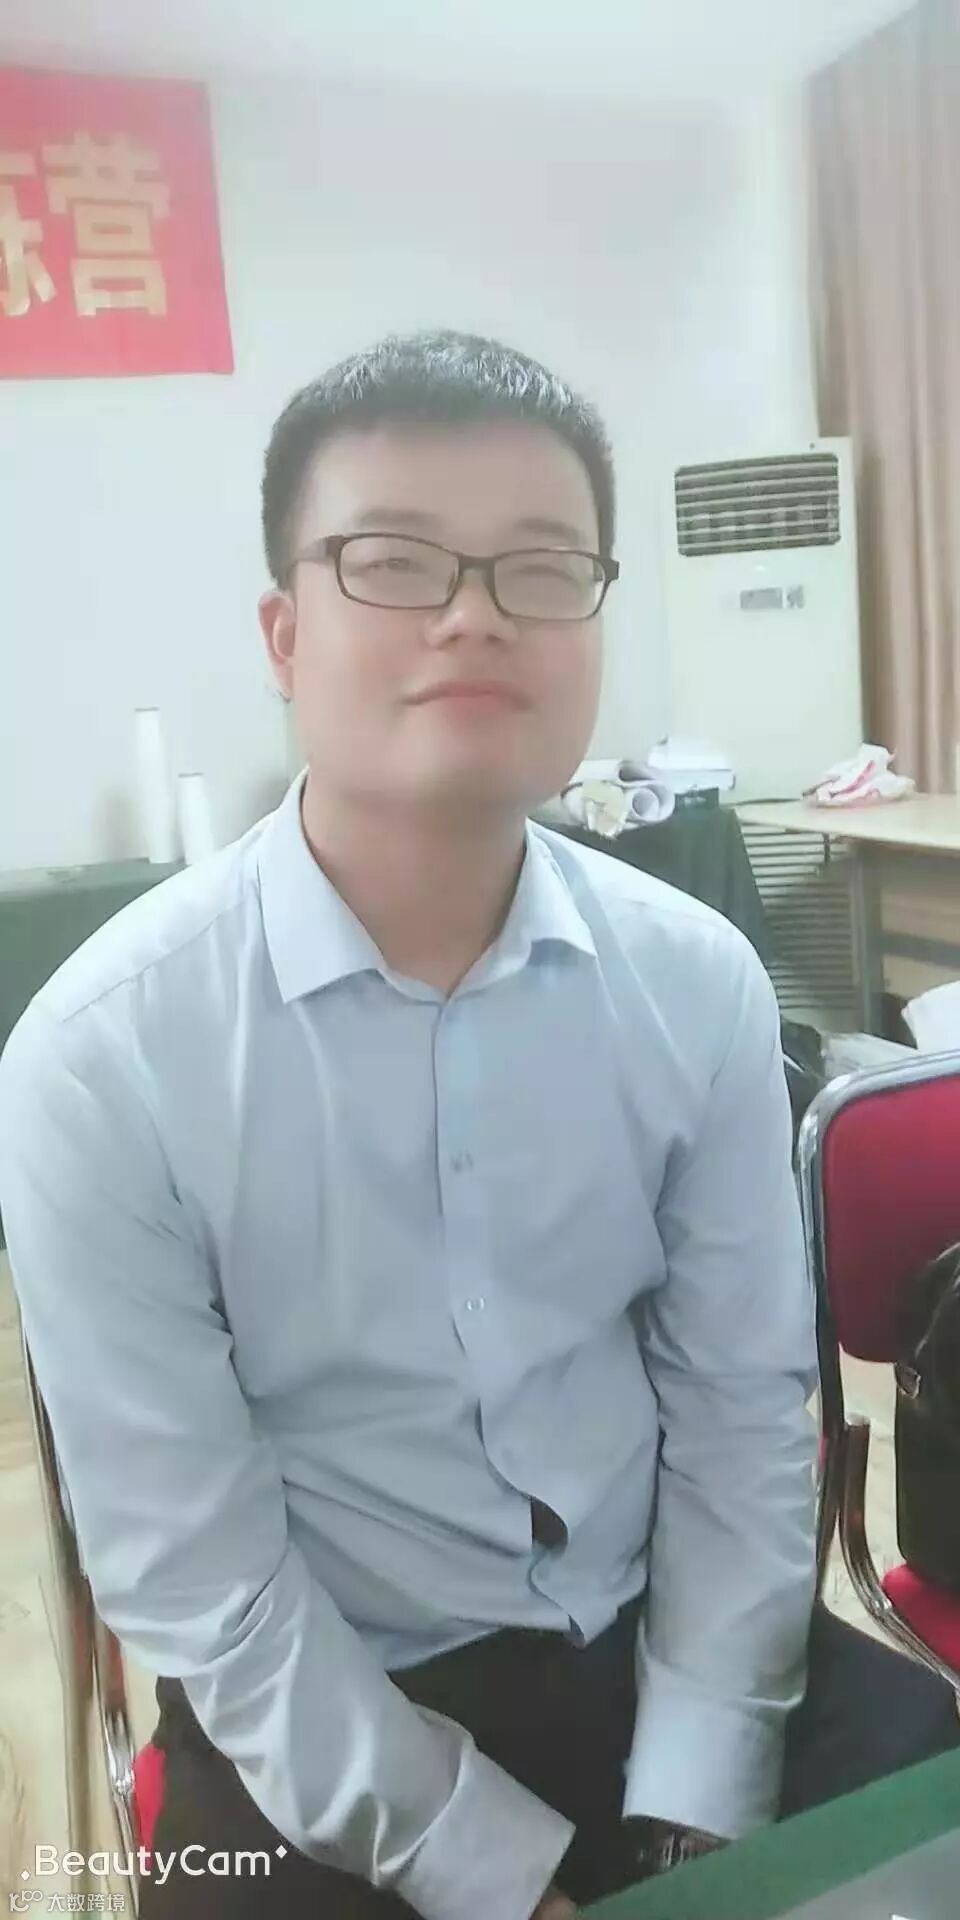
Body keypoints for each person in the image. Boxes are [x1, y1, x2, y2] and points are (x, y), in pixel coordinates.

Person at [0, 331, 955, 1920]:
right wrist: (494, 1872)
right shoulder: (105, 1059)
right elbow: (204, 1581)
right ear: (284, 631)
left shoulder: (694, 983)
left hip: (670, 1639)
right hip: (328, 1707)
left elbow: (737, 1410)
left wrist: (698, 1798)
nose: (472, 615)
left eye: (540, 567)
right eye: (393, 560)